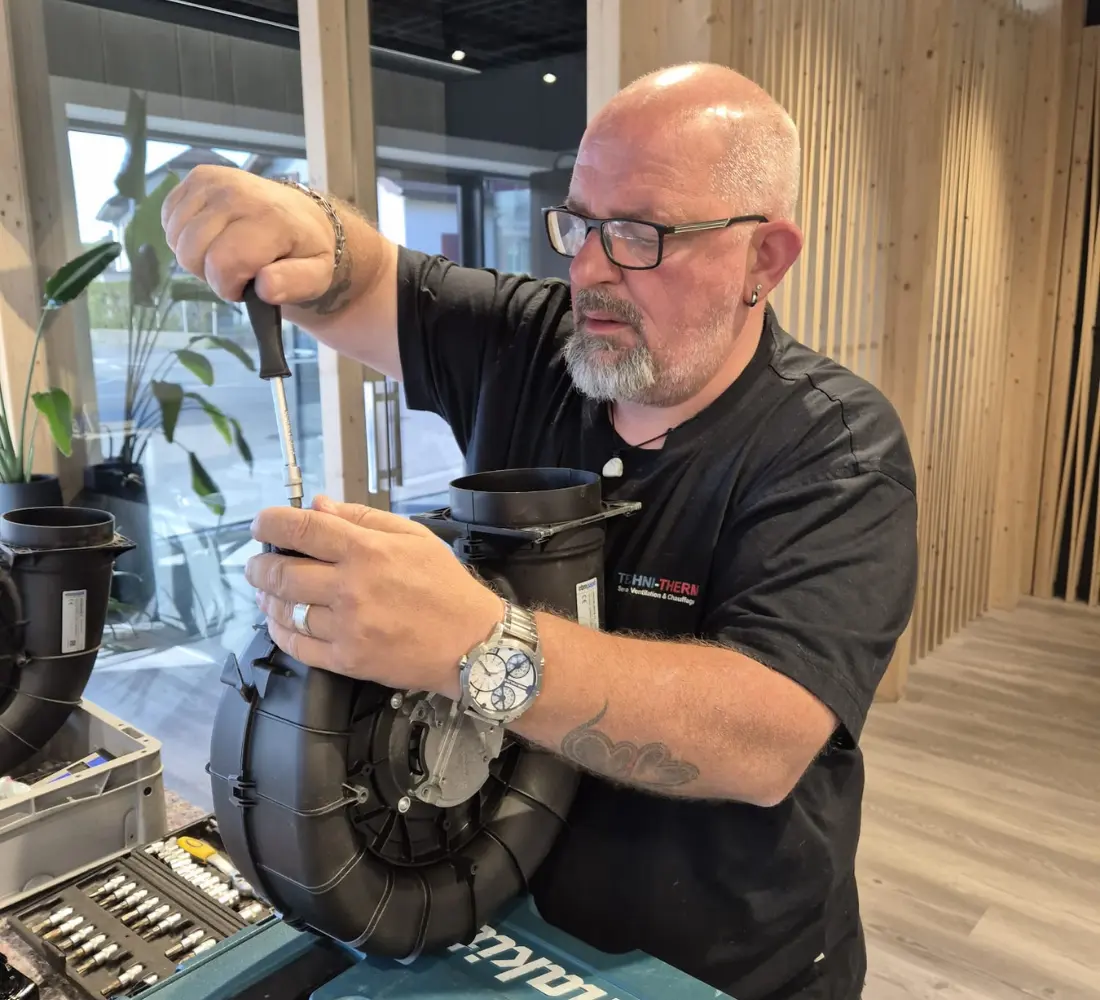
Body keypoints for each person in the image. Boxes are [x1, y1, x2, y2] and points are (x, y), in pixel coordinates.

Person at [162, 62, 918, 1000]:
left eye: (641, 233)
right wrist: (300, 222)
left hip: (721, 967)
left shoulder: (837, 450)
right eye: (579, 223)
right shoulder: (536, 341)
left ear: (765, 259)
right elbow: (363, 273)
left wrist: (474, 644)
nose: (590, 269)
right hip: (499, 921)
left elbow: (764, 744)